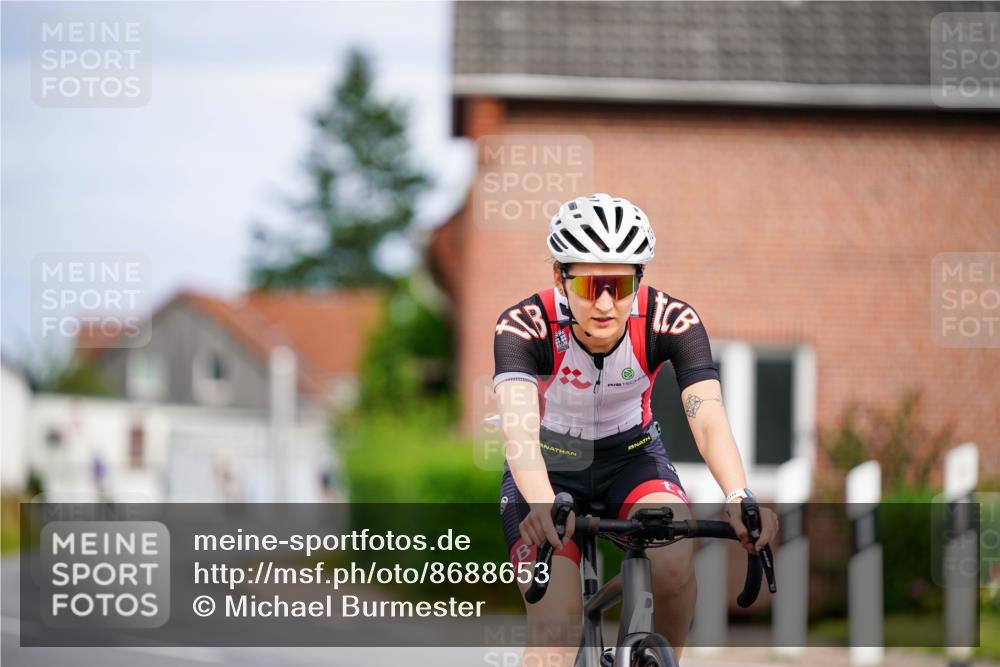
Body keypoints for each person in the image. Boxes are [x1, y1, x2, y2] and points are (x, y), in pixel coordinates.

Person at [494, 193, 779, 666]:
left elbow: (708, 419)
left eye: (621, 285)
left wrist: (737, 495)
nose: (606, 303)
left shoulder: (671, 320)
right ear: (559, 277)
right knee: (555, 631)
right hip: (549, 467)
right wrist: (543, 503)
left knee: (674, 564)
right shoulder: (525, 326)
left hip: (633, 457)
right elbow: (519, 433)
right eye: (589, 285)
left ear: (640, 278)